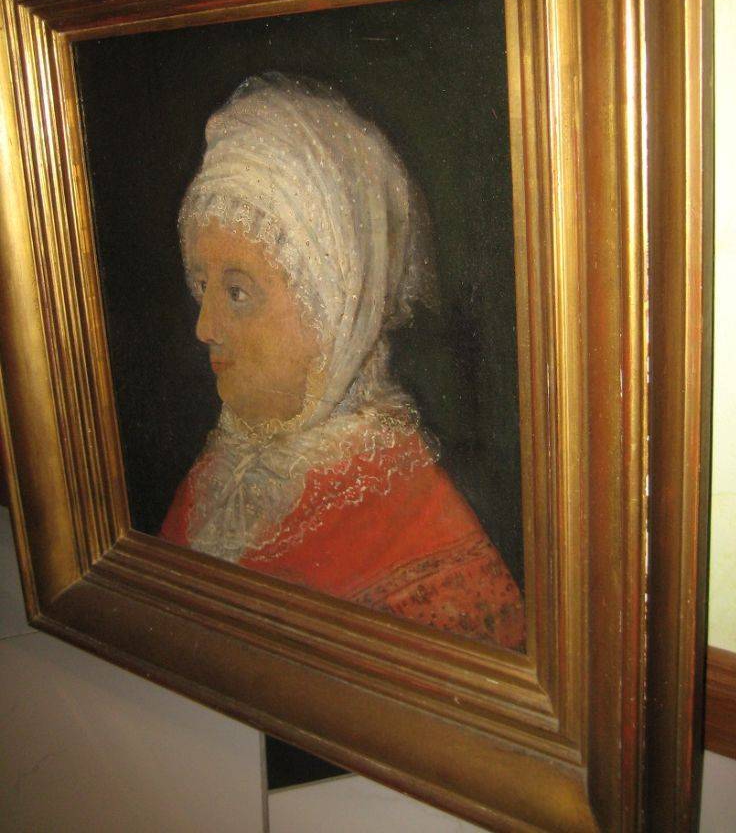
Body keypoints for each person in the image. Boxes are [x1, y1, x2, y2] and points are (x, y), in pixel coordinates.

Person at [160, 73, 524, 649]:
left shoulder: (424, 534)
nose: (204, 328)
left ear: (335, 311)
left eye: (237, 293)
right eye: (202, 286)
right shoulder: (221, 475)